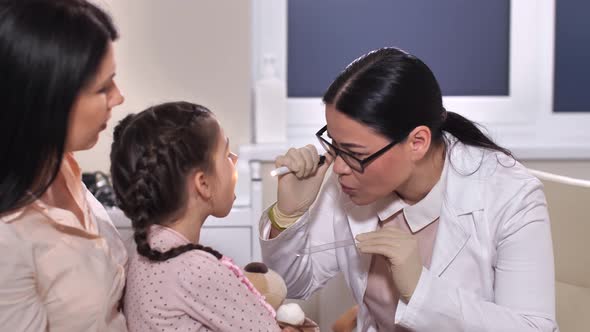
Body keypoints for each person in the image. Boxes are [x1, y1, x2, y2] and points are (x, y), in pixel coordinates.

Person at [260, 47, 558, 331]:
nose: (338, 167)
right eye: (335, 146)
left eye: (354, 152)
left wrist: (419, 289)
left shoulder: (510, 194)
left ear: (417, 142)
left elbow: (534, 328)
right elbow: (292, 284)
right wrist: (289, 215)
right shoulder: (349, 177)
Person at [110, 101, 297, 332]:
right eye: (227, 154)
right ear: (203, 184)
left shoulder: (144, 250)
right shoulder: (196, 270)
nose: (235, 160)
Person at [0, 0, 127, 331]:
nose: (118, 98)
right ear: (47, 102)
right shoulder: (8, 239)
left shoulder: (62, 167)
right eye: (103, 88)